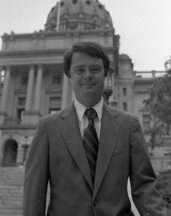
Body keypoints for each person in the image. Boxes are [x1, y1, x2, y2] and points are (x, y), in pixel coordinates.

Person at [23, 41, 166, 216]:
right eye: (80, 70)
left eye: (95, 69)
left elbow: (144, 186)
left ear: (105, 74)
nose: (88, 75)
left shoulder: (128, 125)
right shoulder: (47, 127)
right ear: (69, 74)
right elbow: (34, 193)